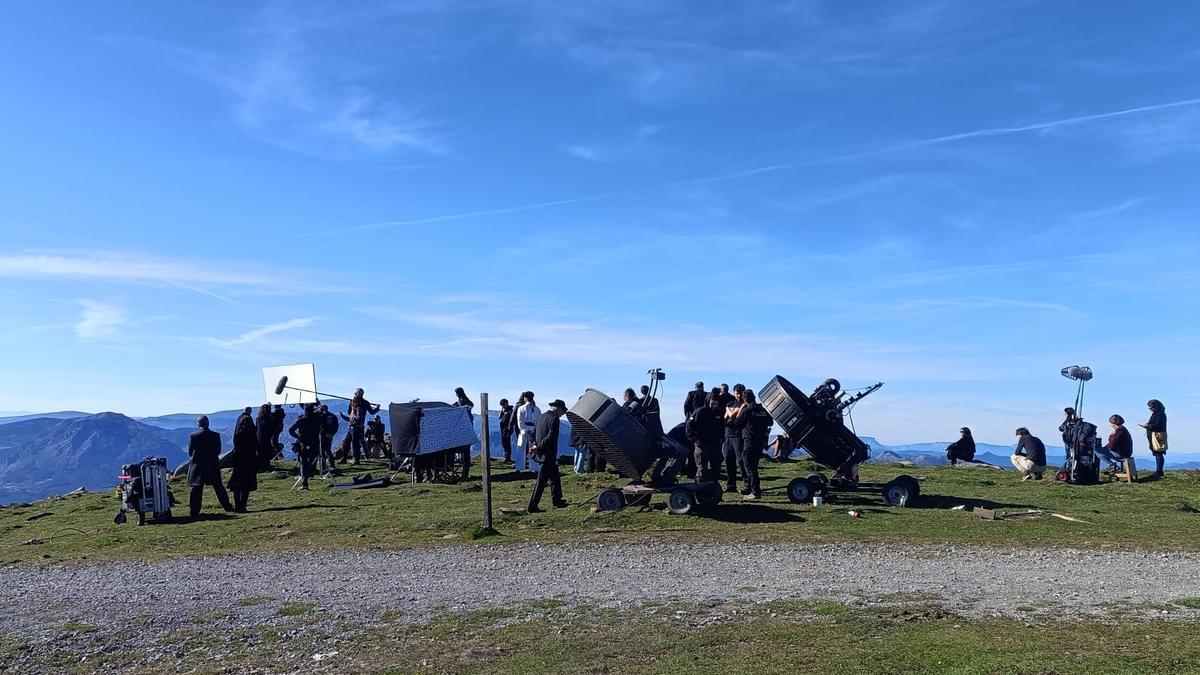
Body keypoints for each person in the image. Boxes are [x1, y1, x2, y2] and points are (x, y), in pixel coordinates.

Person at [186, 415, 233, 517]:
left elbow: (190, 452)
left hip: (198, 466)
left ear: (198, 424)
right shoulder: (215, 435)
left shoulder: (193, 436)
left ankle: (194, 511)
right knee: (218, 487)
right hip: (212, 465)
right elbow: (218, 451)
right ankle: (227, 506)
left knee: (196, 490)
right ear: (208, 423)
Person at [528, 399, 569, 512]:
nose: (562, 415)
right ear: (558, 409)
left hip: (541, 453)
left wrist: (533, 445)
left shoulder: (541, 417)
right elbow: (550, 437)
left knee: (555, 477)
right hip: (548, 454)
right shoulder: (554, 419)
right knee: (541, 482)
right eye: (562, 412)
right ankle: (532, 506)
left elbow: (532, 433)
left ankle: (557, 500)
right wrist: (538, 447)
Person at [734, 390, 772, 500]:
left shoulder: (747, 410)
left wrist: (740, 410)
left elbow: (737, 423)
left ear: (745, 400)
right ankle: (751, 488)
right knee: (753, 466)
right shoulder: (762, 410)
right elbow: (770, 422)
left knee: (750, 467)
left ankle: (755, 491)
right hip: (760, 441)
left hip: (749, 441)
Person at [687, 390, 725, 483]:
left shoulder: (719, 412)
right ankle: (700, 487)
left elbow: (722, 427)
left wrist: (722, 438)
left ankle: (714, 487)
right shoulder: (699, 412)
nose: (714, 406)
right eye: (712, 403)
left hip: (715, 444)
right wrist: (695, 440)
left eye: (716, 404)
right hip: (702, 444)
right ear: (708, 401)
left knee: (716, 466)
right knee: (702, 468)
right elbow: (689, 425)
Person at [227, 407, 258, 512]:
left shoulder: (238, 432)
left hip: (238, 459)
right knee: (246, 484)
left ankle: (237, 505)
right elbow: (255, 442)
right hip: (249, 459)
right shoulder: (251, 432)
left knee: (237, 483)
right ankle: (243, 506)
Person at [339, 388, 381, 465]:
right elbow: (349, 412)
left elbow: (372, 412)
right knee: (346, 442)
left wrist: (377, 408)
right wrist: (350, 404)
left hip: (358, 426)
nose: (355, 395)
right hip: (352, 425)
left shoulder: (364, 403)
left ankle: (356, 459)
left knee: (355, 443)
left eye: (356, 394)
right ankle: (344, 458)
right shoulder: (353, 402)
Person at [289, 403, 323, 490]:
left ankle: (305, 483)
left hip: (304, 443)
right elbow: (323, 419)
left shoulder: (302, 420)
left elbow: (291, 430)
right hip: (315, 443)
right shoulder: (317, 419)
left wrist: (298, 437)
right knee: (311, 461)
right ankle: (310, 474)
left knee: (304, 463)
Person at [721, 384, 746, 493]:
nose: (738, 395)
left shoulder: (744, 404)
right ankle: (731, 485)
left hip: (738, 435)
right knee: (728, 459)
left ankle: (747, 484)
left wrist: (729, 410)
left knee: (741, 461)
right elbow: (725, 417)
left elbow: (731, 415)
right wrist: (730, 410)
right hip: (728, 434)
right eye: (736, 393)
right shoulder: (731, 403)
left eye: (740, 393)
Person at [1139, 399, 1168, 478]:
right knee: (1157, 453)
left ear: (1155, 407)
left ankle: (1159, 471)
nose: (1150, 409)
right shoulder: (1157, 414)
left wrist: (1148, 426)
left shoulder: (1160, 414)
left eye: (1151, 407)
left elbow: (1157, 425)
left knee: (1158, 453)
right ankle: (1159, 470)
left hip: (1157, 436)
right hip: (1154, 435)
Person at [515, 391, 541, 472]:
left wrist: (532, 430)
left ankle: (532, 467)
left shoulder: (535, 409)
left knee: (529, 449)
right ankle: (522, 467)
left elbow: (520, 420)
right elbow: (520, 421)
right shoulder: (535, 409)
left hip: (531, 430)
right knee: (523, 448)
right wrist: (525, 430)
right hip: (527, 430)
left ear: (525, 398)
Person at [319, 404, 339, 472]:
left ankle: (324, 467)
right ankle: (332, 465)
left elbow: (322, 426)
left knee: (323, 451)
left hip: (323, 435)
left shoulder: (323, 416)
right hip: (329, 435)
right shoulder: (333, 416)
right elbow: (336, 426)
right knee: (328, 450)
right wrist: (332, 434)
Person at [255, 403, 275, 472]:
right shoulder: (270, 419)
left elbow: (256, 428)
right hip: (267, 437)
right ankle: (266, 466)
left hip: (259, 437)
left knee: (260, 452)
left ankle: (260, 466)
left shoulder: (258, 419)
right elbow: (272, 429)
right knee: (266, 452)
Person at [498, 398, 516, 463]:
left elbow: (504, 420)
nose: (503, 407)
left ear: (506, 404)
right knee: (504, 443)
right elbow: (500, 417)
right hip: (504, 429)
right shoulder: (504, 410)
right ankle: (507, 457)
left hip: (507, 429)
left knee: (506, 443)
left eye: (503, 405)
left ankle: (507, 457)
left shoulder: (509, 411)